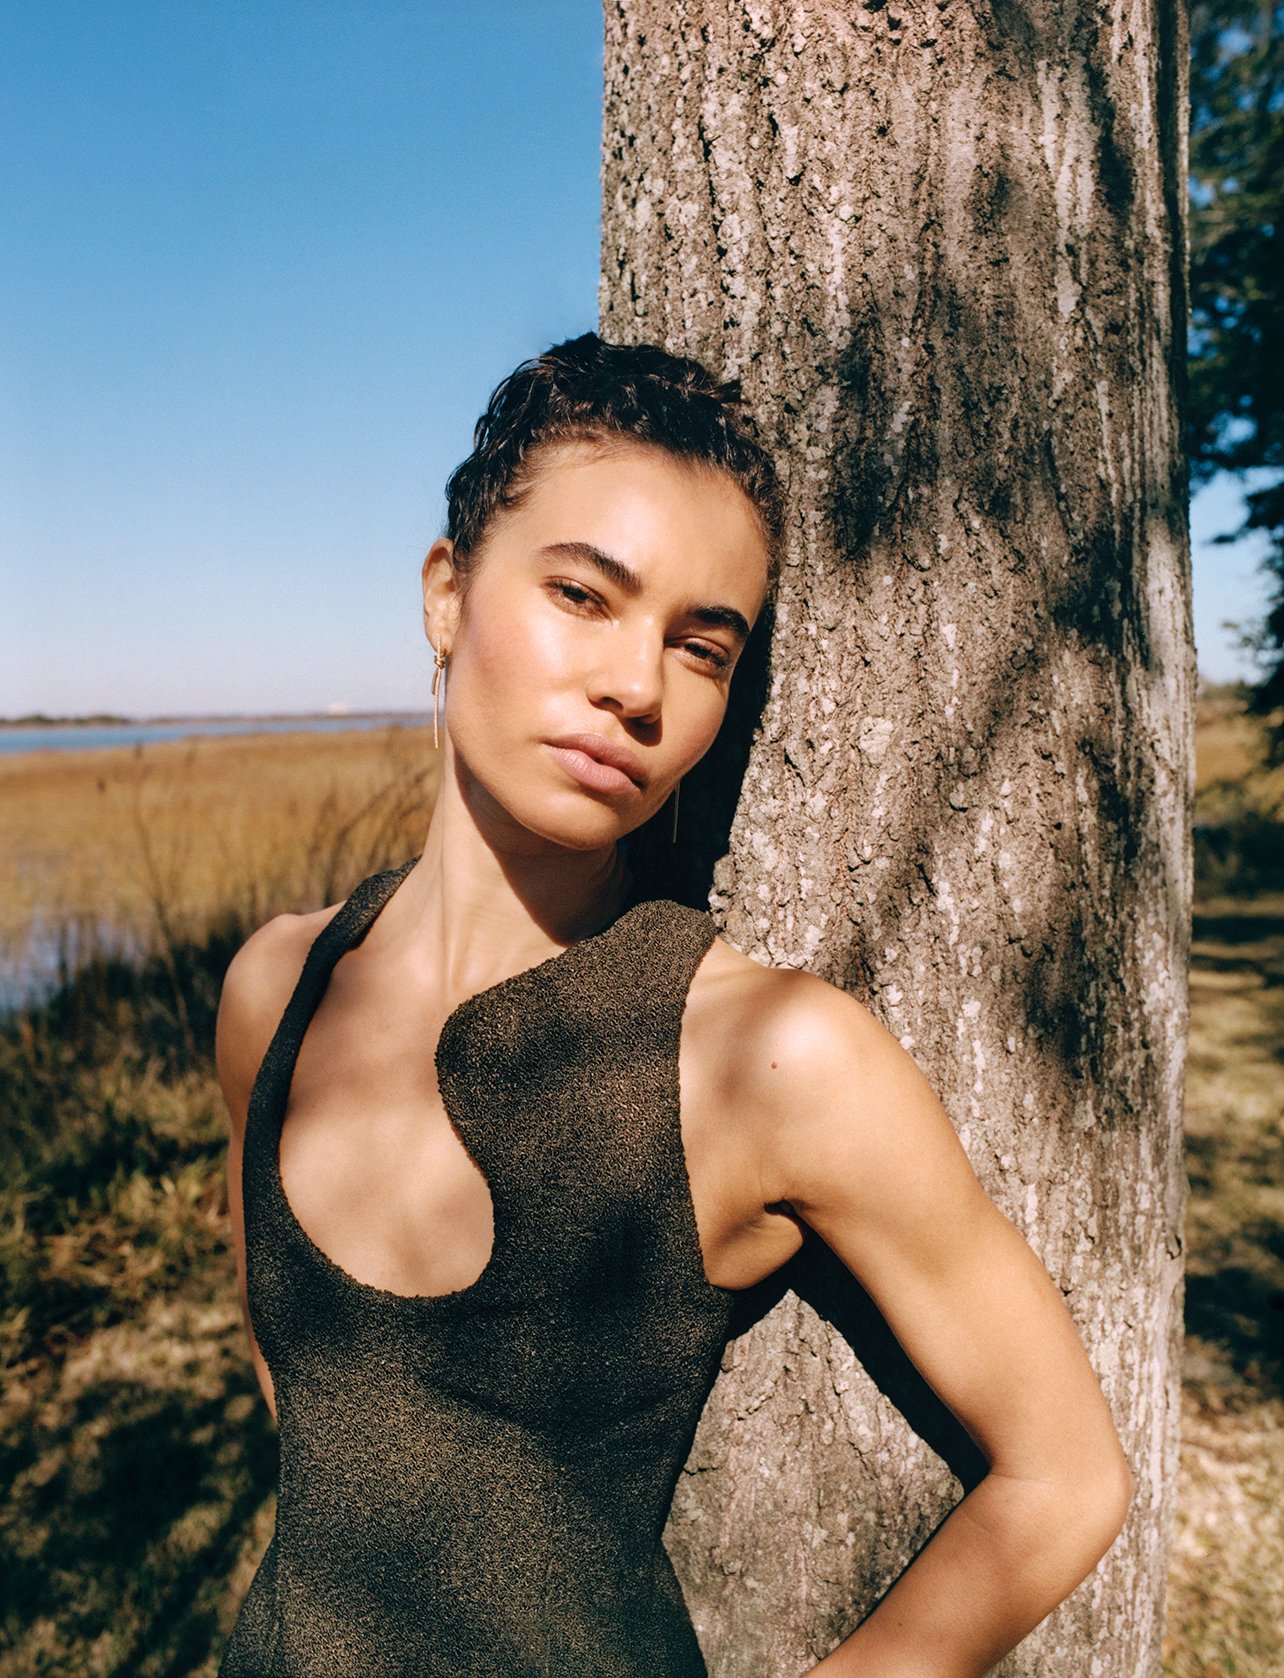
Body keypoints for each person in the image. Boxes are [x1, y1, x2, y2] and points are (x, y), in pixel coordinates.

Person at [215, 333, 1132, 1677]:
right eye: (584, 595)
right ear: (446, 594)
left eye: (701, 649)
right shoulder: (273, 988)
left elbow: (1066, 1477)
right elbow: (305, 1396)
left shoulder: (762, 1057)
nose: (636, 688)